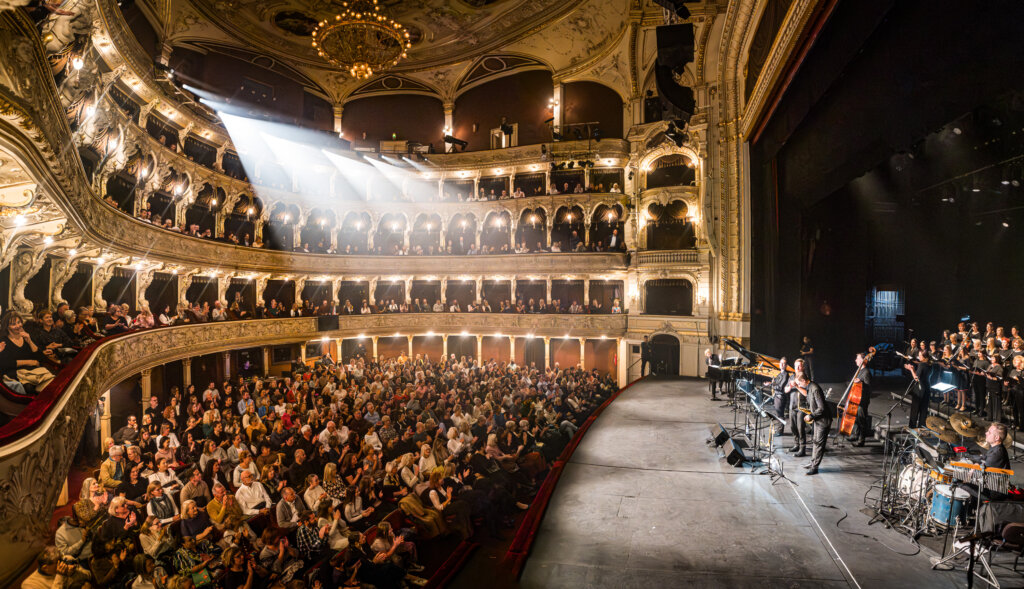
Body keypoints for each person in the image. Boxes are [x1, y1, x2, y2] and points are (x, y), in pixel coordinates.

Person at [794, 363, 830, 475]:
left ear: (804, 380)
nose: (799, 385)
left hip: (823, 421)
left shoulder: (815, 389)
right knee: (815, 442)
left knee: (819, 444)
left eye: (799, 383)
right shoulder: (809, 387)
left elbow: (822, 408)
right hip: (817, 420)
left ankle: (815, 467)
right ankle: (812, 462)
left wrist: (811, 416)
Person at [905, 350, 933, 429]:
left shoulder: (921, 364)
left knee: (915, 408)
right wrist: (914, 369)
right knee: (924, 409)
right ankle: (921, 426)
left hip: (919, 389)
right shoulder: (930, 365)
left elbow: (916, 378)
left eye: (920, 356)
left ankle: (912, 426)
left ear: (925, 357)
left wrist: (911, 369)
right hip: (927, 388)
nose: (919, 357)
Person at [850, 352, 873, 447]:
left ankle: (861, 440)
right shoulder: (860, 370)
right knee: (856, 419)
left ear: (862, 360)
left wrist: (860, 383)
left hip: (862, 400)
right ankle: (856, 435)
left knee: (862, 420)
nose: (855, 360)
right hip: (857, 398)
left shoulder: (866, 372)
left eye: (857, 358)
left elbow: (869, 387)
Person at [769, 357, 789, 434]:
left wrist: (772, 385)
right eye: (781, 363)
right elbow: (775, 383)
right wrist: (772, 383)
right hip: (777, 396)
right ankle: (779, 430)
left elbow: (780, 387)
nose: (782, 365)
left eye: (784, 363)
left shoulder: (785, 375)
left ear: (786, 365)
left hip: (780, 397)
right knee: (778, 414)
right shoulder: (780, 374)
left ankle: (780, 431)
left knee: (780, 414)